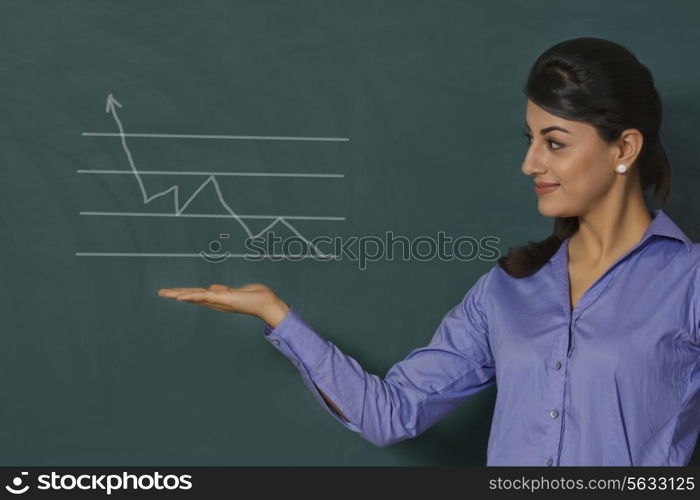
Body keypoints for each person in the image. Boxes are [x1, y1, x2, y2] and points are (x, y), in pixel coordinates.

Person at [157, 37, 700, 466]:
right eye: (530, 139)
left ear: (624, 148)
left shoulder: (690, 282)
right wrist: (276, 315)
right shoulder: (507, 290)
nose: (530, 163)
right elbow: (391, 415)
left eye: (554, 142)